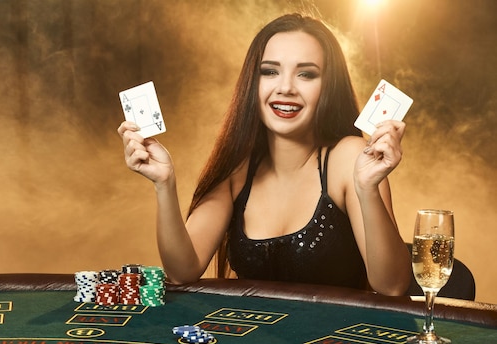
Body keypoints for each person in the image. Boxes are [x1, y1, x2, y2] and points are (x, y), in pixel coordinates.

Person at [117, 13, 412, 296]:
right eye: (270, 71)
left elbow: (392, 286)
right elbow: (183, 270)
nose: (285, 88)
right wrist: (164, 184)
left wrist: (367, 188)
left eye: (306, 74)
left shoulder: (349, 157)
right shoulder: (239, 169)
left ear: (328, 88)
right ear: (252, 83)